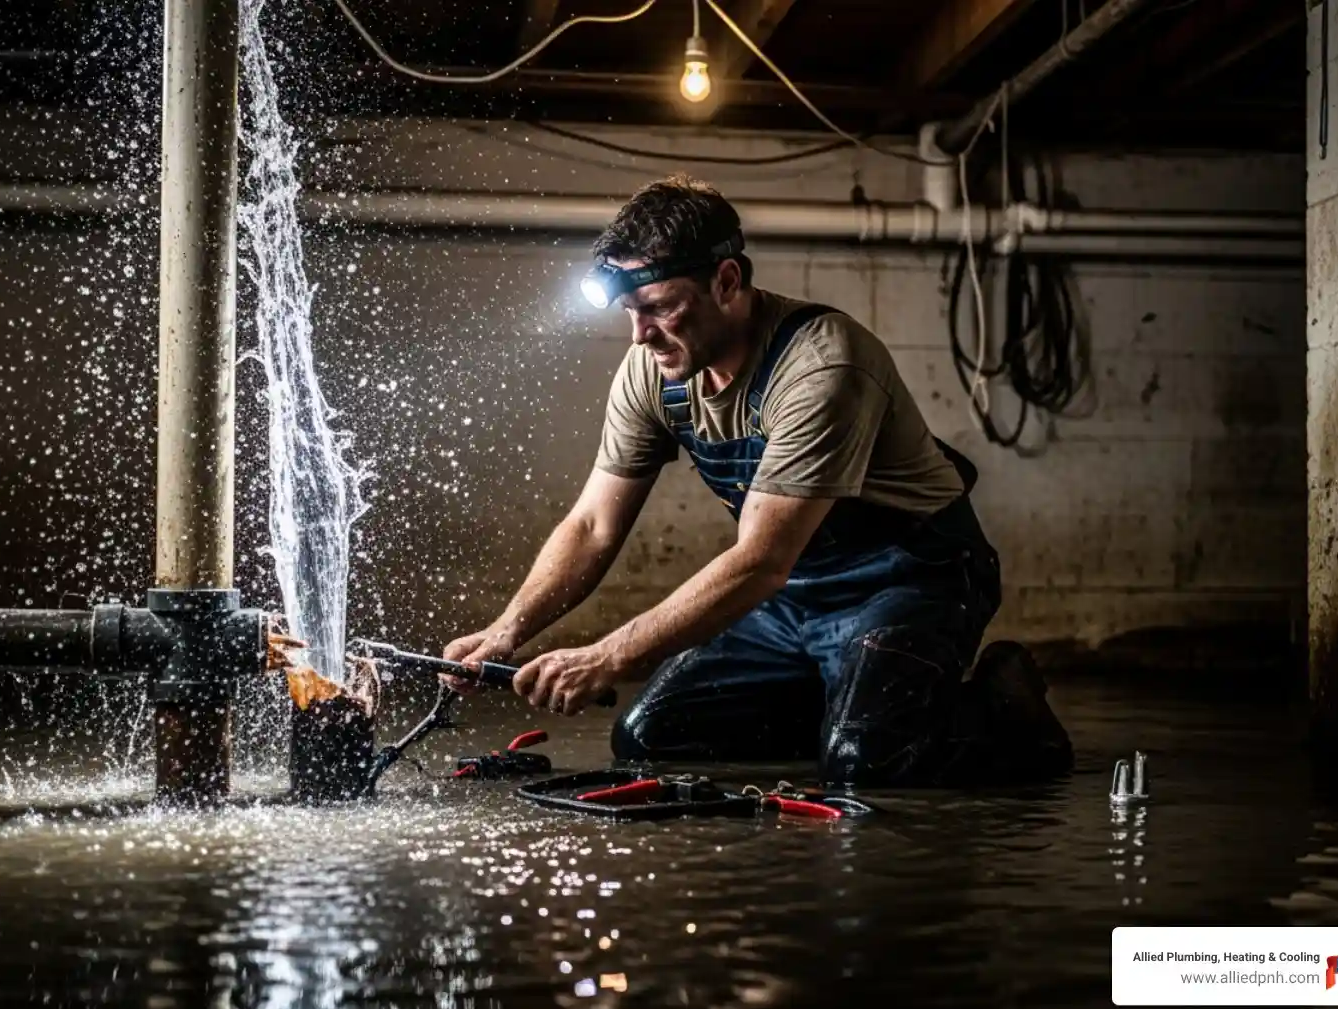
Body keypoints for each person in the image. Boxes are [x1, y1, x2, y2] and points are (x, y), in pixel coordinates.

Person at [443, 174, 1072, 789]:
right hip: (796, 594)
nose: (640, 335)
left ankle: (1001, 705)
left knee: (864, 764)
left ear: (727, 281)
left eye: (660, 307)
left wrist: (609, 655)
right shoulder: (652, 371)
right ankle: (850, 708)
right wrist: (506, 632)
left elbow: (761, 561)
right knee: (650, 736)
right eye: (632, 312)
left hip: (911, 579)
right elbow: (592, 525)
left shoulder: (822, 366)